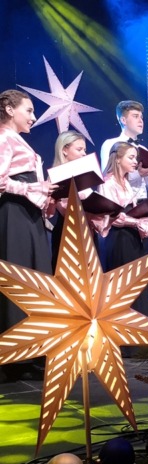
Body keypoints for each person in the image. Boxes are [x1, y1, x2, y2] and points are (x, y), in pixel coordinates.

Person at [0, 89, 57, 381]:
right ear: (10, 109)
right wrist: (32, 188)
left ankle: (31, 352)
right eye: (29, 110)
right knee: (18, 279)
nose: (34, 117)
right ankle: (14, 357)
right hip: (14, 214)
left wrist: (45, 194)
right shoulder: (4, 138)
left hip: (30, 216)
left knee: (34, 280)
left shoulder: (18, 140)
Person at [98, 141, 148, 321]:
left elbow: (132, 209)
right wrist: (136, 222)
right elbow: (112, 216)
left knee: (136, 285)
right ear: (117, 159)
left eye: (135, 158)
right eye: (131, 158)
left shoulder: (126, 182)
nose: (135, 162)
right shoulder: (107, 183)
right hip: (119, 238)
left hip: (133, 237)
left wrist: (145, 220)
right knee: (122, 286)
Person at [48, 131, 109, 271]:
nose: (83, 154)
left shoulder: (84, 176)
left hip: (88, 232)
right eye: (79, 149)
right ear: (64, 150)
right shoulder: (56, 175)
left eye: (84, 150)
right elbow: (64, 209)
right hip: (68, 233)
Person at [100, 100, 148, 201]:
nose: (140, 121)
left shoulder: (143, 149)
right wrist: (139, 174)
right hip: (120, 202)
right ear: (123, 120)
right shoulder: (110, 144)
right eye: (135, 116)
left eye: (141, 117)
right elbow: (106, 178)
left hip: (142, 203)